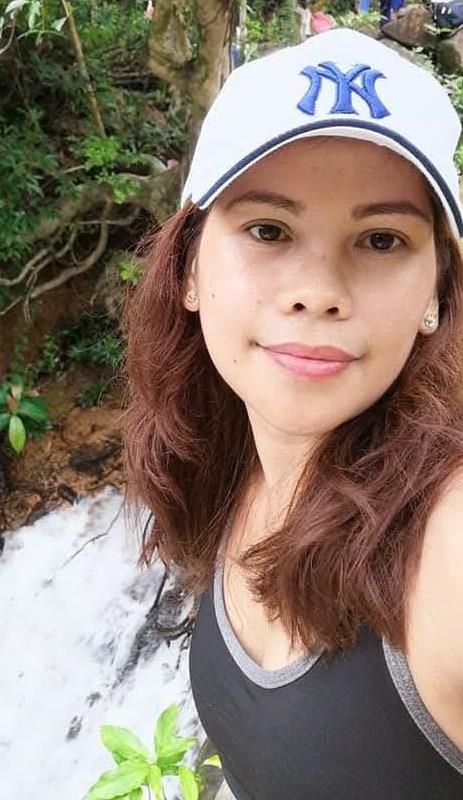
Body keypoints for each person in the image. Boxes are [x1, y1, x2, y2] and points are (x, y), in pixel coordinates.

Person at [123, 29, 463, 800]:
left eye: (380, 239)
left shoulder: (447, 546)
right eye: (268, 230)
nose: (317, 290)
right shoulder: (223, 463)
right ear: (188, 270)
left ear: (436, 297)